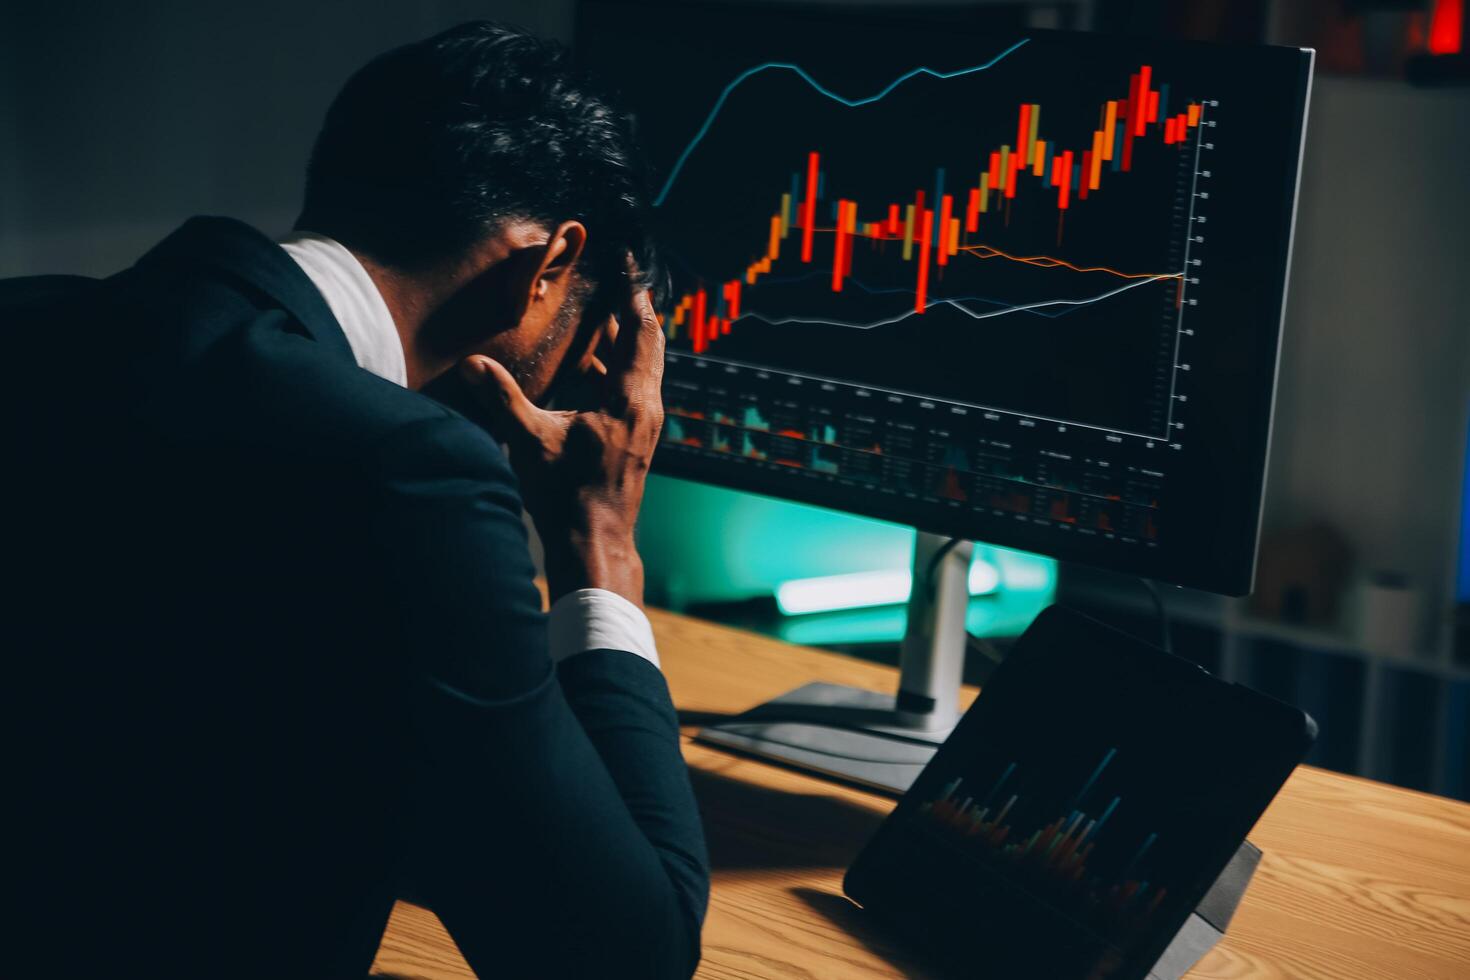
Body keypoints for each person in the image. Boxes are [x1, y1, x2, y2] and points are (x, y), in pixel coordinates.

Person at [5, 21, 708, 979]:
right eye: (588, 321)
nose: (584, 363)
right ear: (545, 268)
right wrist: (599, 540)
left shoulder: (29, 322)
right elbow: (624, 959)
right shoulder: (411, 474)